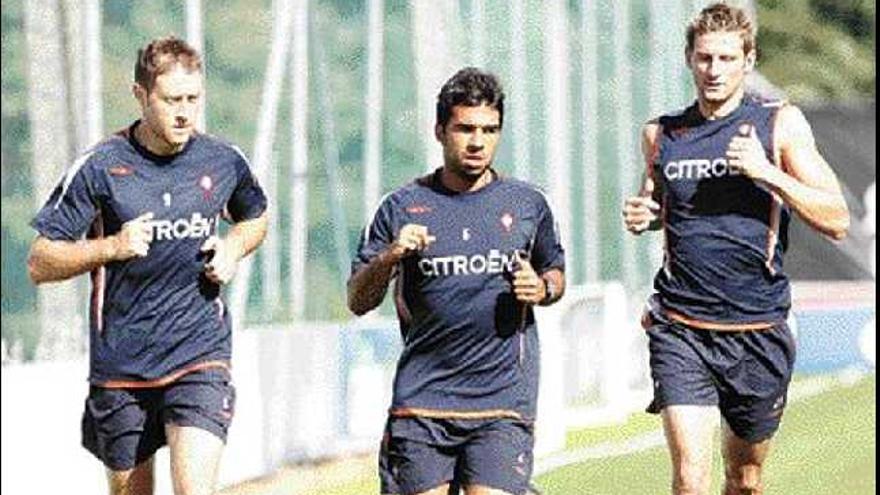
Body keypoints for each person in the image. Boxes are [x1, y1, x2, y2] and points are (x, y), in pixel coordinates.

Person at [622, 3, 849, 495]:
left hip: (757, 328)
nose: (714, 71)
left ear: (748, 61)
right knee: (691, 477)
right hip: (681, 326)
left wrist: (766, 172)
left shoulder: (777, 126)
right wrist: (648, 214)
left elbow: (837, 218)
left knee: (744, 479)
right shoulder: (662, 135)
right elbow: (662, 204)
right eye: (705, 58)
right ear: (689, 59)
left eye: (726, 59)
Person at [28, 36, 268, 495]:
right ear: (140, 95)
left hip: (199, 354)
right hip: (122, 367)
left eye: (193, 99)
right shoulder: (101, 167)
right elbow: (41, 260)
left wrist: (234, 247)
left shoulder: (222, 160)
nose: (184, 112)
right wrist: (112, 247)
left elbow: (255, 216)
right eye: (171, 100)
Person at [348, 67, 565, 495]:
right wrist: (391, 256)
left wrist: (540, 289)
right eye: (465, 128)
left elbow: (555, 272)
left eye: (489, 130)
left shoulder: (527, 204)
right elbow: (357, 299)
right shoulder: (401, 207)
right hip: (423, 403)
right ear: (440, 131)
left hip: (502, 403)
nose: (478, 142)